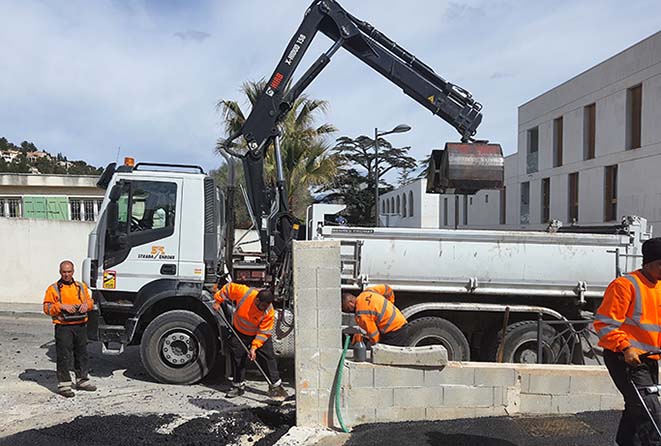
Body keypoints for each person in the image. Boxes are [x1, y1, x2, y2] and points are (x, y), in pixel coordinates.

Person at [594, 237, 661, 446]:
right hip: (624, 358)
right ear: (648, 263)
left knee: (636, 407)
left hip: (649, 359)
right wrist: (625, 347)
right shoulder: (625, 286)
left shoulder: (659, 287)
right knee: (651, 413)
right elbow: (604, 325)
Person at [213, 282, 288, 399]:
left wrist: (254, 348)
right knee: (238, 358)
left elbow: (264, 333)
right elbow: (227, 288)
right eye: (263, 305)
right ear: (257, 300)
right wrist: (218, 301)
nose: (264, 308)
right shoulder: (244, 293)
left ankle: (276, 387)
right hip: (240, 331)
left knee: (268, 358)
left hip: (258, 334)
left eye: (267, 305)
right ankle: (238, 386)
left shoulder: (269, 311)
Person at [42, 260, 97, 398]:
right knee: (64, 356)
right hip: (63, 327)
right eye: (64, 272)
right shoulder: (53, 289)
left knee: (82, 354)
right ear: (60, 272)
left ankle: (82, 380)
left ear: (73, 272)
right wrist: (61, 306)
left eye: (69, 272)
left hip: (80, 325)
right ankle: (64, 385)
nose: (66, 274)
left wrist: (87, 305)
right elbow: (47, 308)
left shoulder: (80, 286)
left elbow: (90, 302)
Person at [342, 288, 409, 346]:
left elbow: (374, 336)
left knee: (385, 358)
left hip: (395, 333)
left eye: (346, 308)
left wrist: (372, 346)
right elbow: (387, 289)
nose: (347, 311)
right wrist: (391, 304)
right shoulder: (368, 291)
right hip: (401, 322)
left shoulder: (361, 314)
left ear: (351, 302)